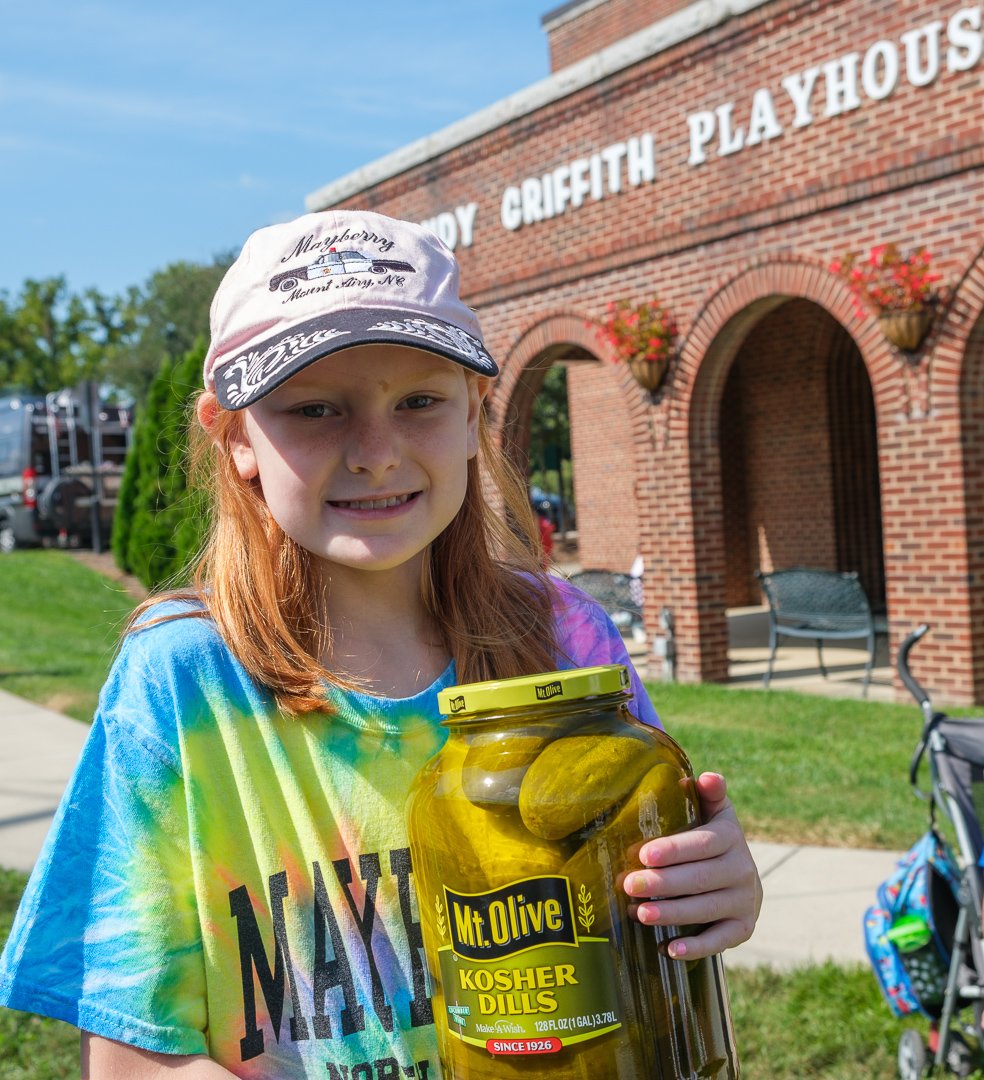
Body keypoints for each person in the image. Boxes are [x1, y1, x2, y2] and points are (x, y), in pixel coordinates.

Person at [0, 210, 762, 1079]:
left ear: (477, 411)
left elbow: (647, 959)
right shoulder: (183, 681)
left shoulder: (564, 642)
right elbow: (136, 1063)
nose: (375, 452)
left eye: (419, 401)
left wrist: (709, 888)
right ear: (236, 435)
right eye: (315, 408)